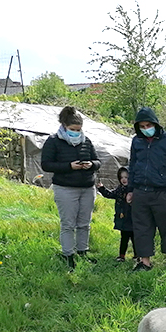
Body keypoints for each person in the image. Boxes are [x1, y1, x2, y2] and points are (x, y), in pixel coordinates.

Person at [40, 106, 100, 270]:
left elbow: (97, 161)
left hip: (87, 187)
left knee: (84, 223)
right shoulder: (53, 141)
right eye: (73, 129)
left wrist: (90, 164)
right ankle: (68, 255)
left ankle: (82, 252)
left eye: (78, 129)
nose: (76, 132)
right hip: (65, 188)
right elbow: (46, 164)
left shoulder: (86, 141)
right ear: (64, 126)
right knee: (68, 224)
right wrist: (69, 166)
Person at [127, 107, 166, 272]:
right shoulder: (136, 141)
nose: (146, 129)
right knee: (141, 227)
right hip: (140, 191)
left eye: (148, 125)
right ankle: (144, 262)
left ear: (155, 124)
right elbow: (132, 165)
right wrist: (130, 190)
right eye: (142, 126)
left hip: (162, 192)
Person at [96, 166, 137, 263]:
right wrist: (102, 188)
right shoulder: (119, 189)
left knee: (135, 237)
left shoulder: (134, 190)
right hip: (123, 218)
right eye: (122, 177)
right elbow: (110, 194)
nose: (124, 179)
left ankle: (137, 255)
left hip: (133, 218)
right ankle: (122, 256)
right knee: (124, 237)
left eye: (126, 177)